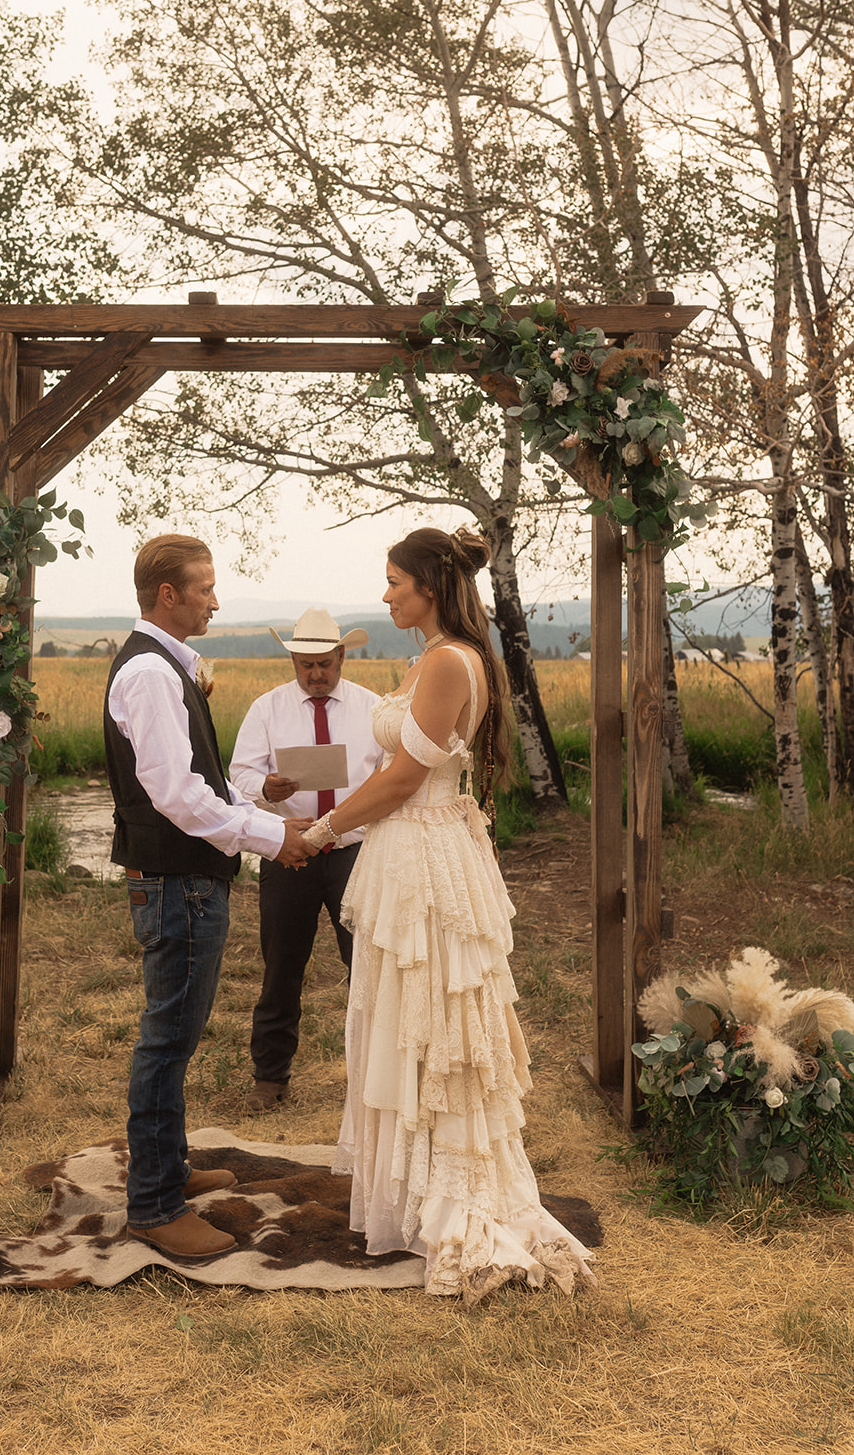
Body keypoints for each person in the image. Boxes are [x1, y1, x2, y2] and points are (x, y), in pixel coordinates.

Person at [299, 526, 596, 1301]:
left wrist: (322, 830)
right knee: (411, 1017)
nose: (387, 592)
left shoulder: (444, 661)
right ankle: (409, 1186)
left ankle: (452, 1196)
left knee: (430, 1021)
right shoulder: (443, 656)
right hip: (416, 847)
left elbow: (402, 780)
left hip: (423, 852)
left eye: (395, 580)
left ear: (430, 584)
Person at [104, 534, 315, 1263]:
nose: (214, 601)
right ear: (168, 594)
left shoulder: (165, 667)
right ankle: (155, 1205)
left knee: (175, 1037)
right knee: (167, 1040)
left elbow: (208, 784)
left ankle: (169, 1165)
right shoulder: (153, 676)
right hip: (178, 884)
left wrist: (262, 818)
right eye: (204, 588)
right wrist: (268, 839)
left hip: (183, 881)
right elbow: (176, 795)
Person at [230, 608, 384, 1112]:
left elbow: (390, 777)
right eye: (305, 665)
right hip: (288, 848)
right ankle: (269, 1077)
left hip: (355, 850)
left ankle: (378, 1078)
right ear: (293, 660)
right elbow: (240, 777)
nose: (316, 675)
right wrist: (265, 788)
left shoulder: (372, 709)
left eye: (324, 663)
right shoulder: (267, 709)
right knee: (281, 966)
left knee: (367, 964)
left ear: (342, 657)